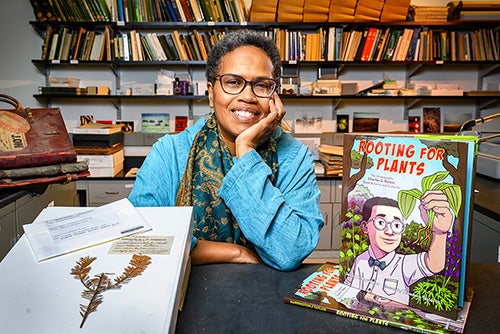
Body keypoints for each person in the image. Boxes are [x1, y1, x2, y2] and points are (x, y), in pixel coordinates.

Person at [128, 30, 323, 271]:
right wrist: (235, 253)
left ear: (274, 97)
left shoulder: (294, 156)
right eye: (233, 82)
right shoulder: (170, 152)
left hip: (267, 297)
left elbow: (291, 250)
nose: (248, 96)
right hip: (187, 296)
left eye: (262, 85)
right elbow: (142, 240)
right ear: (211, 93)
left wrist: (245, 149)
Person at [344, 193, 452, 305]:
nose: (390, 232)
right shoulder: (360, 260)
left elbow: (434, 264)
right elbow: (347, 286)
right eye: (380, 223)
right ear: (365, 227)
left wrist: (439, 233)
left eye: (396, 225)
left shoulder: (404, 264)